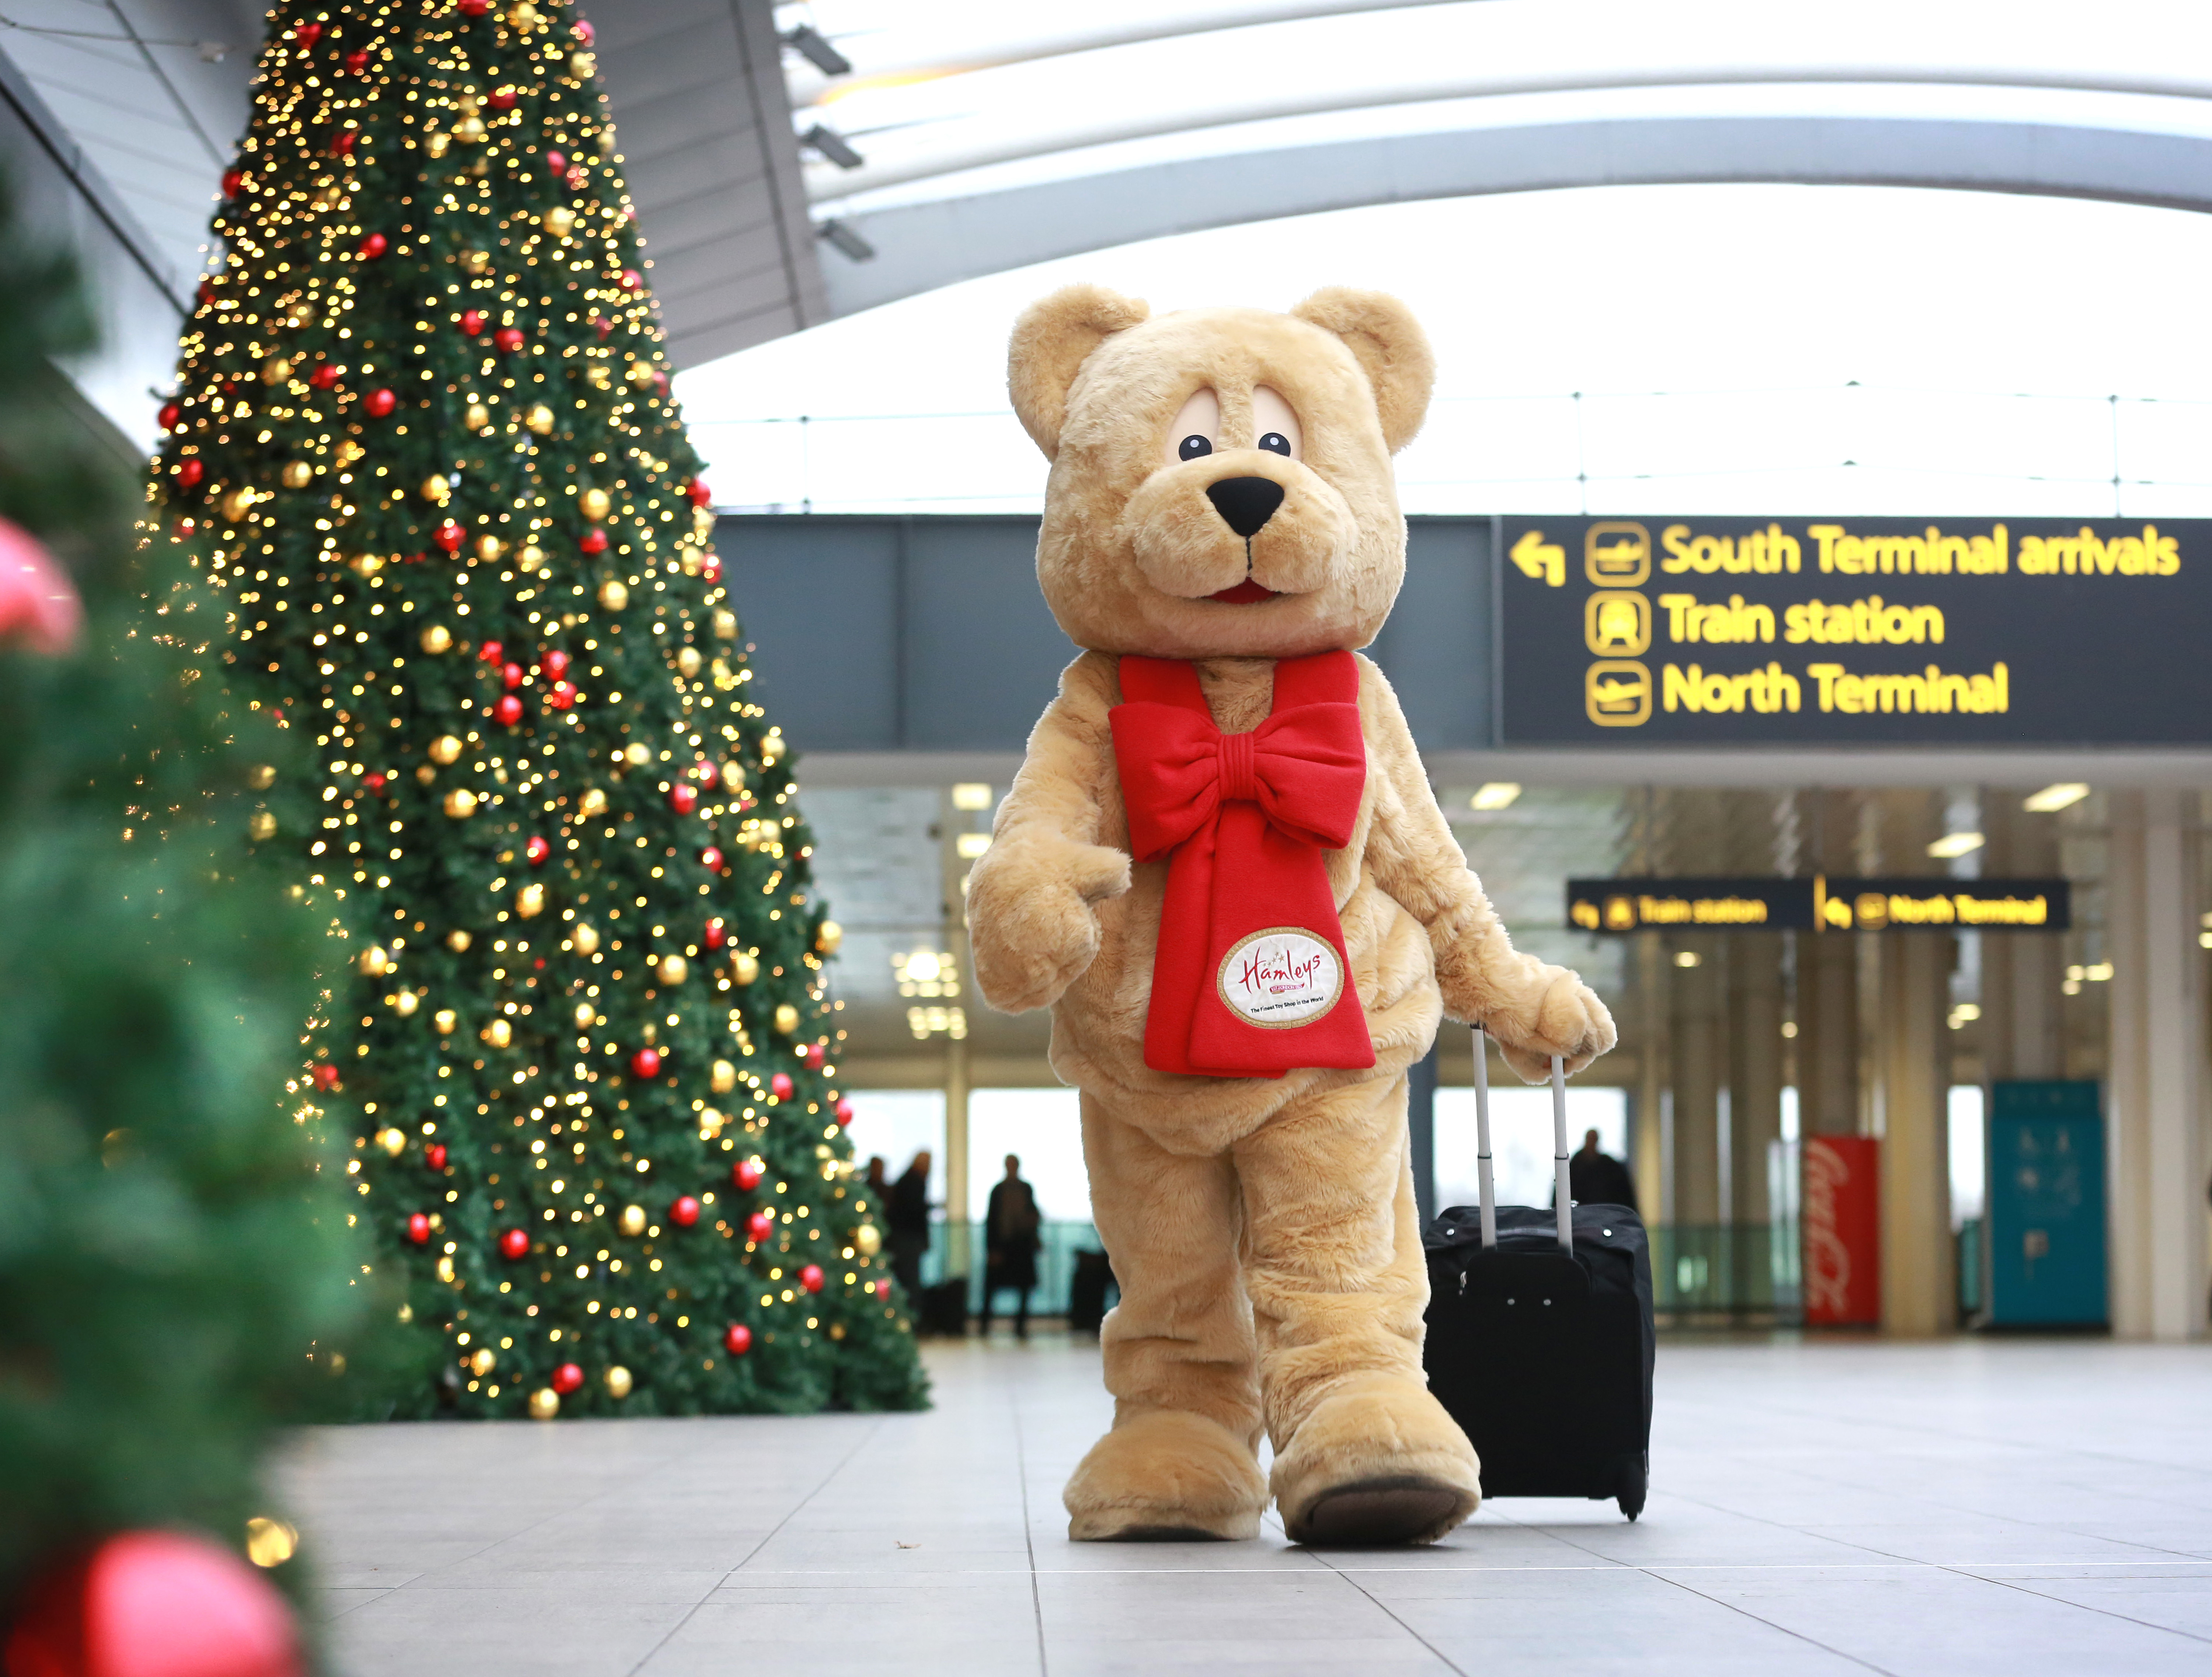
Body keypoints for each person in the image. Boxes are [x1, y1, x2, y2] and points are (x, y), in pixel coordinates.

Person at [981, 1154, 1043, 1339]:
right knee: (992, 1287)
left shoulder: (1025, 1189)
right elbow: (992, 1222)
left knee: (1024, 1286)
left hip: (1022, 1246)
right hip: (1003, 1245)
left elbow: (1032, 1215)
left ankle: (1020, 1326)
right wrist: (992, 1249)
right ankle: (985, 1325)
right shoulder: (998, 1191)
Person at [887, 1150, 932, 1301]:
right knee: (911, 1280)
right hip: (908, 1239)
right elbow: (915, 1213)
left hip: (902, 1237)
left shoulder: (906, 1179)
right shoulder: (915, 1182)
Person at [1568, 1128, 1637, 1211]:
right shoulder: (1575, 1166)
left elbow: (1624, 1195)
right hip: (1580, 1216)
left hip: (1604, 1215)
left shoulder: (1611, 1167)